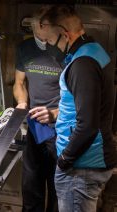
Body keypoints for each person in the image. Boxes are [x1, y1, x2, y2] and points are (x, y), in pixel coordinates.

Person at [40, 5, 117, 212]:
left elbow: (88, 125)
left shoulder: (83, 64)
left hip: (81, 168)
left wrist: (65, 160)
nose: (48, 46)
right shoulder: (92, 51)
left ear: (64, 35)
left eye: (48, 41)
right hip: (86, 163)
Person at [14, 6, 62, 212]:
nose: (45, 41)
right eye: (40, 36)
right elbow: (19, 83)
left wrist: (55, 113)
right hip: (35, 127)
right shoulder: (24, 48)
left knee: (57, 188)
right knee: (31, 185)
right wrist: (22, 102)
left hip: (60, 127)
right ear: (36, 27)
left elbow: (76, 96)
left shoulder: (63, 51)